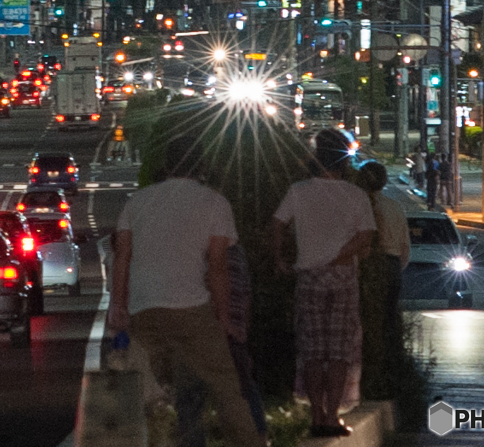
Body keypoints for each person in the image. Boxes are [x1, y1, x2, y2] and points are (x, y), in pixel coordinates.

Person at [109, 136, 264, 447]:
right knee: (226, 388)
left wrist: (118, 305)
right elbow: (218, 268)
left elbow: (122, 257)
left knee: (151, 389)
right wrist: (224, 319)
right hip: (192, 308)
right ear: (201, 165)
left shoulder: (137, 202)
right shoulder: (215, 203)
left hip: (144, 309)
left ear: (168, 165)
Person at [273, 129, 375, 438]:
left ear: (316, 158)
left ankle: (316, 415)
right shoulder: (354, 195)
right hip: (342, 277)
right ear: (344, 160)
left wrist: (280, 259)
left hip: (309, 276)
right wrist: (340, 255)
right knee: (340, 351)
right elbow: (366, 236)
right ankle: (333, 416)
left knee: (313, 351)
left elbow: (277, 224)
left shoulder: (298, 191)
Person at [174, 242, 267, 447]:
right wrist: (242, 330)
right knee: (243, 392)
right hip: (233, 334)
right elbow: (246, 294)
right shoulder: (236, 251)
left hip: (204, 334)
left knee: (191, 398)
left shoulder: (197, 251)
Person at [355, 161, 411, 363]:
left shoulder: (358, 205)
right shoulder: (395, 207)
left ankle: (368, 361)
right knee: (388, 318)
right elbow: (405, 246)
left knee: (363, 316)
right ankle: (390, 361)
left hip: (367, 262)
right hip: (392, 263)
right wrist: (396, 265)